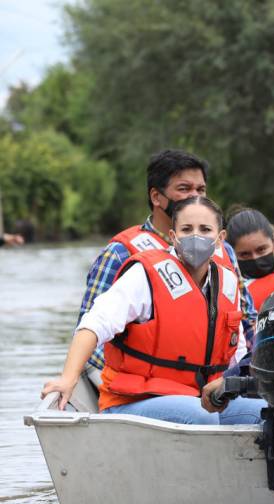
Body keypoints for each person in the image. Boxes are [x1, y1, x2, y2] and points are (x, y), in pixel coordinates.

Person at [41, 196, 267, 425]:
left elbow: (235, 353)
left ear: (220, 239)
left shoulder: (227, 284)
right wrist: (68, 379)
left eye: (205, 229)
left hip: (198, 398)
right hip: (132, 402)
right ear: (173, 236)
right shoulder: (145, 275)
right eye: (186, 229)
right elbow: (93, 324)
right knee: (199, 416)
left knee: (267, 412)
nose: (195, 236)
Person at [77, 149, 257, 376]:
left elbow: (248, 320)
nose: (195, 196)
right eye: (184, 189)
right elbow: (91, 333)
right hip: (147, 386)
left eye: (200, 189)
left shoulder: (224, 251)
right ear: (156, 197)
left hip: (214, 384)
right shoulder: (120, 253)